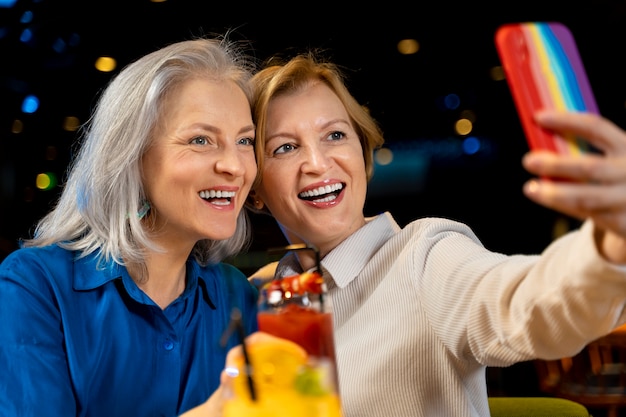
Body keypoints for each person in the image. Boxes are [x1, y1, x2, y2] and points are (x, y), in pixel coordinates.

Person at [246, 53, 626, 417]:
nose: (317, 163)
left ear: (361, 152)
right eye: (286, 147)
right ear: (254, 187)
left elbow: (528, 304)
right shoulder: (261, 295)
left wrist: (609, 250)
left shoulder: (425, 256)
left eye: (334, 135)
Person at [0, 37, 261, 417]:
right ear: (131, 155)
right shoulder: (35, 286)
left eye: (244, 141)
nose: (236, 167)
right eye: (201, 140)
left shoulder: (240, 296)